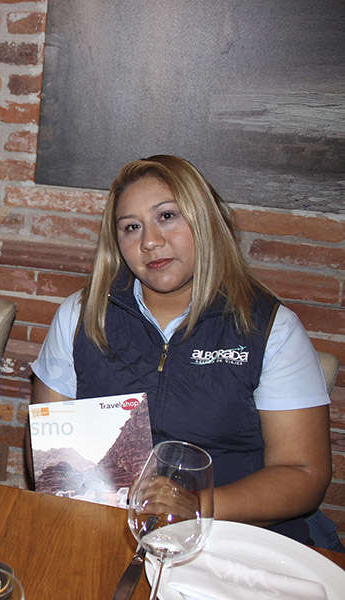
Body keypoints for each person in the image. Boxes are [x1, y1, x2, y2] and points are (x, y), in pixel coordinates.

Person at [30, 155, 332, 546]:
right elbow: (50, 453)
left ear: (204, 221)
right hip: (105, 532)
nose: (150, 241)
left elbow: (303, 473)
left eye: (167, 216)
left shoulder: (270, 327)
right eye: (131, 227)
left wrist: (197, 505)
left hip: (233, 537)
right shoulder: (81, 316)